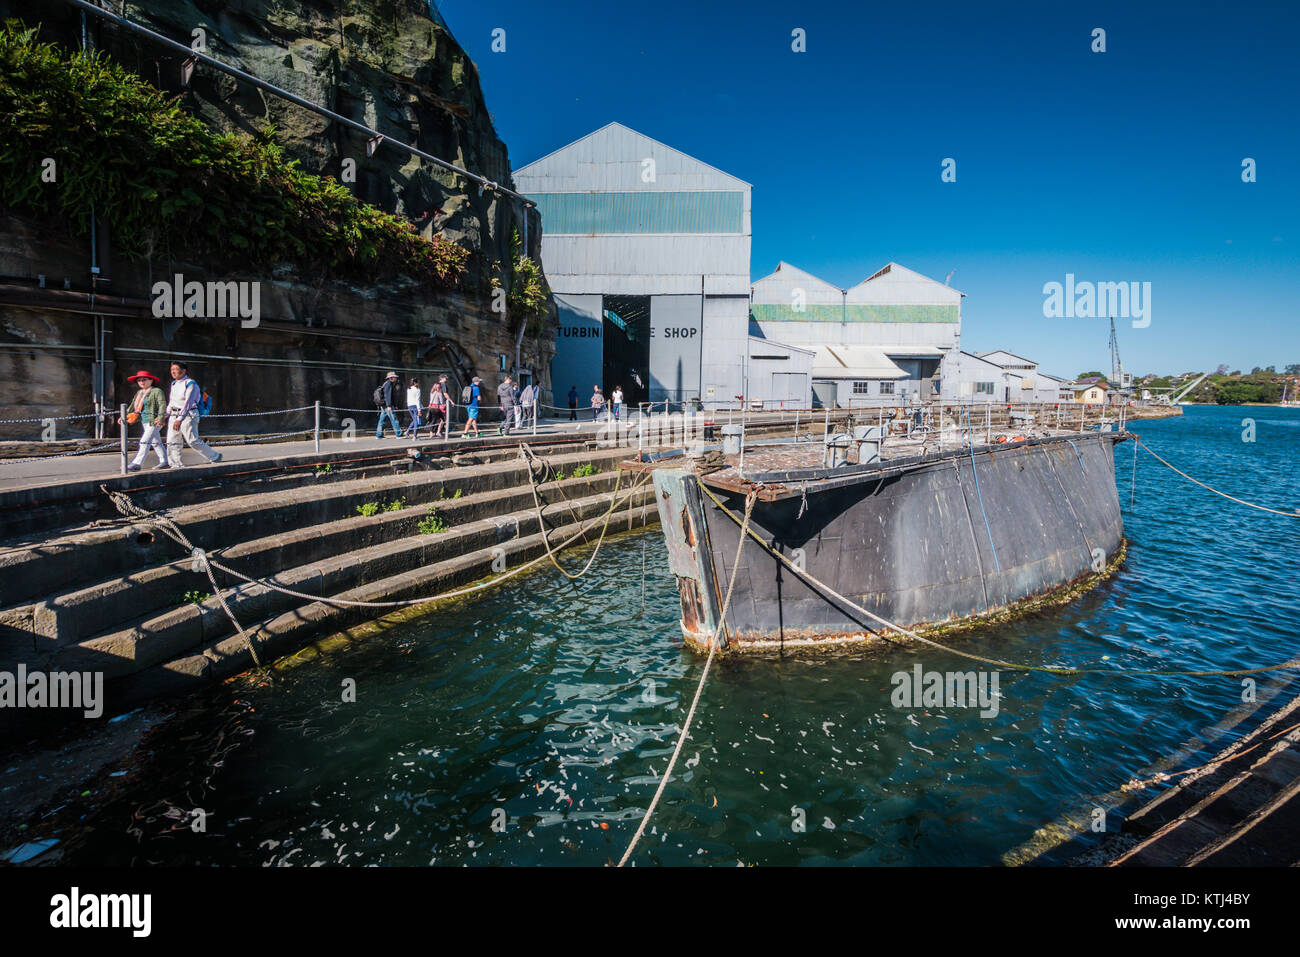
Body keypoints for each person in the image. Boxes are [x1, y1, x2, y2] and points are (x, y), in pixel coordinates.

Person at [164, 361, 221, 466]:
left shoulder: (191, 384)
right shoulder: (174, 383)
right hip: (174, 414)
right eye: (172, 369)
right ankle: (175, 464)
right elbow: (171, 401)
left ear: (183, 370)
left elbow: (188, 403)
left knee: (192, 440)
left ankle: (214, 456)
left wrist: (179, 419)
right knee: (172, 440)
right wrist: (165, 415)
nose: (173, 372)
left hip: (188, 415)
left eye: (175, 369)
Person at [120, 370, 168, 471]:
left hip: (154, 420)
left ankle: (137, 464)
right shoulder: (140, 392)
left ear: (151, 380)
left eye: (144, 380)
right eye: (139, 380)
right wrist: (123, 416)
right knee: (156, 442)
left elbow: (162, 405)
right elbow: (132, 406)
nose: (141, 382)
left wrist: (160, 418)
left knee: (144, 441)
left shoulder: (157, 391)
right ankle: (164, 461)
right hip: (144, 420)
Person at [375, 371, 404, 438]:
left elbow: (391, 396)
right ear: (391, 378)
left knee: (382, 420)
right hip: (387, 405)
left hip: (384, 405)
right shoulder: (388, 384)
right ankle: (398, 434)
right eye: (394, 377)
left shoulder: (388, 384)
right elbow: (387, 396)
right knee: (394, 419)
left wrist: (395, 405)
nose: (396, 378)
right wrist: (389, 406)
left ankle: (379, 435)